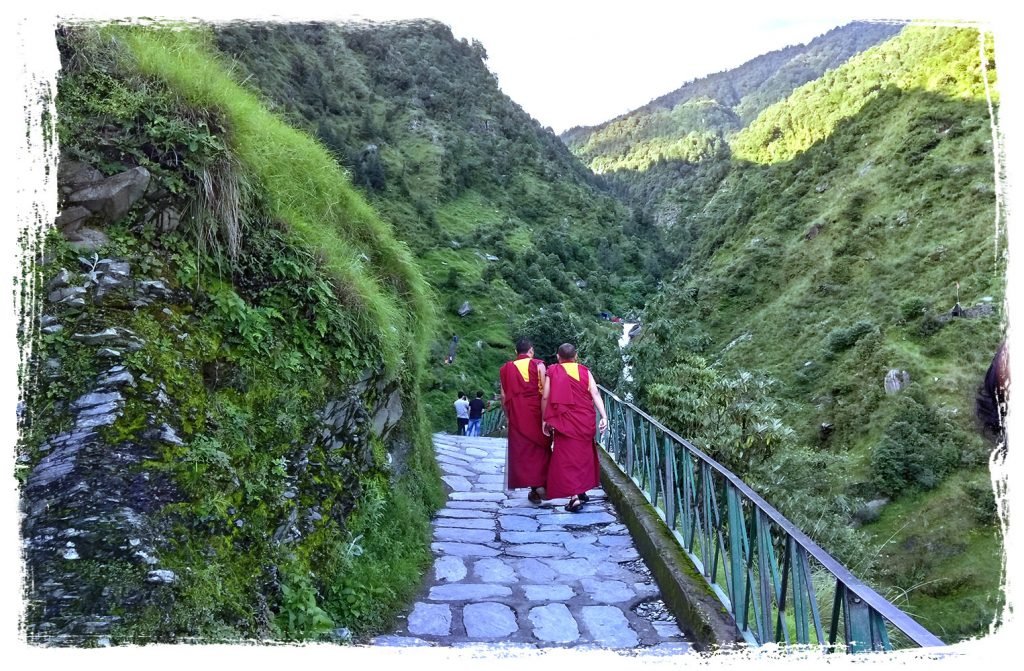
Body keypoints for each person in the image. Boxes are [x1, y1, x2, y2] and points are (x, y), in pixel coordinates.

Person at [542, 343, 608, 512]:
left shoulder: (553, 371)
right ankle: (581, 490)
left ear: (558, 357)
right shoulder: (585, 371)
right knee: (583, 457)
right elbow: (595, 393)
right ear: (576, 356)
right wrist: (604, 416)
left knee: (567, 459)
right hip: (584, 420)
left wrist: (545, 419)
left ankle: (574, 498)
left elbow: (546, 396)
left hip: (565, 422)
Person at [499, 338, 551, 504]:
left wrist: (508, 416)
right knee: (541, 450)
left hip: (517, 415)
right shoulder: (539, 365)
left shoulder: (506, 369)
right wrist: (548, 416)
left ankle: (534, 489)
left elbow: (503, 396)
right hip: (537, 414)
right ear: (531, 351)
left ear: (516, 352)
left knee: (523, 453)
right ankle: (541, 485)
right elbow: (545, 392)